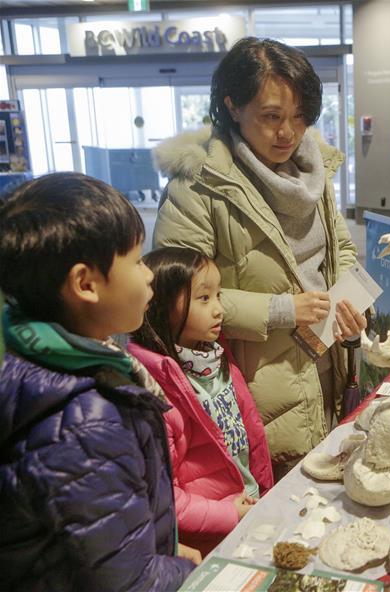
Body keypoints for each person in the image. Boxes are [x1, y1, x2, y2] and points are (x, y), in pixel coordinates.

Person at [153, 37, 366, 477]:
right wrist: (284, 309)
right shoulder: (199, 186)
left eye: (300, 116)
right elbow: (174, 295)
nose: (288, 132)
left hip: (328, 362)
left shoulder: (315, 169)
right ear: (232, 106)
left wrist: (349, 296)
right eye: (271, 117)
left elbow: (342, 248)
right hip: (256, 383)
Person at [0, 173, 198, 590]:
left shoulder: (41, 360)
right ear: (85, 285)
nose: (148, 276)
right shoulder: (85, 422)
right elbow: (130, 583)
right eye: (138, 260)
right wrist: (194, 574)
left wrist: (162, 549)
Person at [129, 247, 275, 555]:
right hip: (210, 540)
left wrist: (263, 492)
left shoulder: (217, 358)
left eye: (218, 296)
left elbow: (251, 439)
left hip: (254, 510)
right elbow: (165, 493)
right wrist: (230, 514)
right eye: (204, 298)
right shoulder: (157, 388)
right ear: (162, 304)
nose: (219, 309)